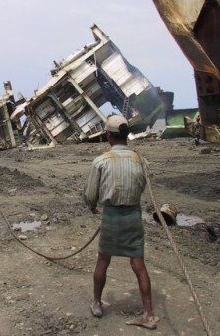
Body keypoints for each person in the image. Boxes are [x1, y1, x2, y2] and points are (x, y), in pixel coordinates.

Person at [83, 114, 157, 330]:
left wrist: (92, 206)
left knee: (103, 261)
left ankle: (97, 304)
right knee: (138, 265)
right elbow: (144, 186)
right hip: (133, 216)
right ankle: (149, 314)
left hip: (112, 217)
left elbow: (90, 195)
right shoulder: (140, 160)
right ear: (126, 135)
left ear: (108, 135)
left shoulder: (101, 161)